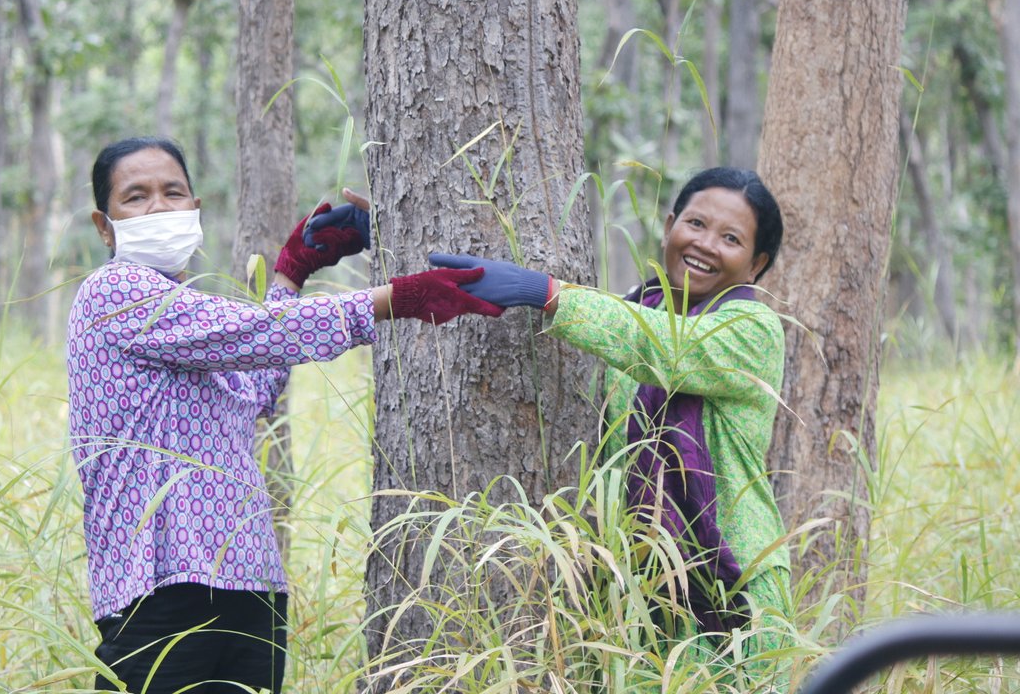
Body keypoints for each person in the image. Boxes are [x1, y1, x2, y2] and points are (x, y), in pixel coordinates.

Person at [67, 136, 502, 694]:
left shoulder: (192, 318)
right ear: (105, 226)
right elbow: (257, 333)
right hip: (159, 592)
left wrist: (292, 274)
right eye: (136, 196)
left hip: (247, 582)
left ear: (195, 209)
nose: (158, 207)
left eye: (173, 192)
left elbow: (255, 382)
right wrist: (395, 299)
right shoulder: (114, 292)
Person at [430, 167, 793, 666]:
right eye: (695, 224)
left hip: (734, 590)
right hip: (642, 593)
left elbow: (663, 348)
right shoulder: (637, 306)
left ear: (756, 265)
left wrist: (547, 292)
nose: (706, 244)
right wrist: (399, 229)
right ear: (669, 226)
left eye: (730, 239)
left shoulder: (756, 328)